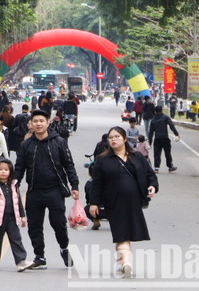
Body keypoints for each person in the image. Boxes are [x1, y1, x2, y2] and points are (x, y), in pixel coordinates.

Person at [14, 110, 80, 270]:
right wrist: (14, 184)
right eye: (35, 121)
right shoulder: (26, 145)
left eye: (41, 121)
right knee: (34, 226)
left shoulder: (59, 142)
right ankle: (40, 256)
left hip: (54, 191)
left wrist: (74, 185)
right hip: (34, 191)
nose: (38, 124)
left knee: (58, 223)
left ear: (48, 122)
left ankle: (64, 248)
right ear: (31, 124)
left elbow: (69, 165)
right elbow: (19, 167)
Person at [89, 126, 158, 279]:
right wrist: (94, 203)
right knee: (122, 233)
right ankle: (126, 262)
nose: (113, 139)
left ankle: (120, 262)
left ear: (125, 139)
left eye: (117, 136)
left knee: (124, 233)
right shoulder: (102, 159)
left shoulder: (137, 156)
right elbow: (97, 183)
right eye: (111, 137)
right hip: (113, 202)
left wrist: (153, 186)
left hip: (133, 202)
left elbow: (150, 175)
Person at [0, 159, 34, 272]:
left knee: (16, 238)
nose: (3, 172)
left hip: (12, 217)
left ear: (10, 171)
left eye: (6, 170)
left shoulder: (14, 184)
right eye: (0, 169)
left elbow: (18, 200)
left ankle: (21, 261)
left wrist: (22, 216)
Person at [147, 106, 179, 173]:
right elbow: (171, 126)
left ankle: (156, 168)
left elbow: (151, 132)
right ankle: (170, 167)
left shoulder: (153, 120)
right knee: (167, 153)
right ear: (162, 110)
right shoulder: (166, 117)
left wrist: (150, 142)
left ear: (155, 112)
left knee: (157, 153)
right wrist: (176, 134)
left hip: (157, 139)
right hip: (165, 138)